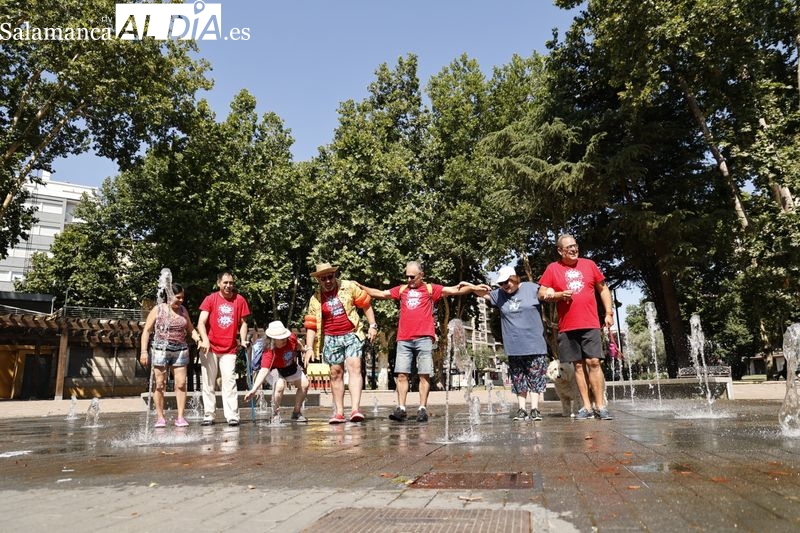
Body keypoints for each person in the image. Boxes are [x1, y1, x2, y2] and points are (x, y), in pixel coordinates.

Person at [357, 260, 484, 423]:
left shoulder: (431, 289)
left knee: (424, 375)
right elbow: (381, 294)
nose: (409, 280)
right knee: (402, 374)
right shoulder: (402, 289)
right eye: (407, 277)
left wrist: (474, 288)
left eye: (412, 277)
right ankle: (401, 408)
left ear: (421, 275)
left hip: (424, 338)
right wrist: (360, 286)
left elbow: (454, 290)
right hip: (404, 339)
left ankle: (422, 408)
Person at [538, 234, 615, 420]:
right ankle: (586, 407)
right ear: (560, 251)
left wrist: (609, 313)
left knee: (594, 362)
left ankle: (600, 406)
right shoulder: (553, 268)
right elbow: (541, 293)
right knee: (578, 367)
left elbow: (603, 289)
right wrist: (555, 295)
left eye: (575, 246)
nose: (573, 250)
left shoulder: (589, 264)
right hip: (567, 326)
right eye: (568, 247)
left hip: (590, 322)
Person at [303, 263, 378, 424]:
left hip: (352, 333)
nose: (328, 281)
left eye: (330, 277)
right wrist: (309, 347)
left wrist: (372, 325)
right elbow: (310, 325)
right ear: (318, 280)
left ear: (334, 275)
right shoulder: (315, 299)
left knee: (355, 366)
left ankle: (355, 409)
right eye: (324, 278)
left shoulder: (348, 287)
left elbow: (365, 304)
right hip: (331, 338)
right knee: (336, 373)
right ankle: (339, 413)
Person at [475, 266, 548, 422]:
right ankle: (522, 409)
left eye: (507, 281)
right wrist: (474, 286)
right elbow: (481, 293)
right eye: (501, 283)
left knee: (535, 376)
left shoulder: (531, 288)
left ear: (515, 278)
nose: (505, 286)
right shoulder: (499, 295)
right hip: (514, 345)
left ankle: (535, 409)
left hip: (534, 343)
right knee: (518, 378)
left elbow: (546, 293)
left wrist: (552, 293)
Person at [140, 282, 201, 427]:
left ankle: (180, 417)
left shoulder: (183, 310)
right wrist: (144, 352)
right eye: (178, 297)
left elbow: (191, 329)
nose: (181, 300)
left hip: (180, 350)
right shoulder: (158, 309)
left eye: (182, 298)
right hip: (160, 349)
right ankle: (160, 417)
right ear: (169, 296)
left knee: (181, 384)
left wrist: (199, 339)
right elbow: (147, 331)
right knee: (160, 384)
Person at [197, 270, 251, 427]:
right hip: (210, 347)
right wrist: (205, 340)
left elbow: (244, 323)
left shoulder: (239, 299)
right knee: (208, 381)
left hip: (229, 348)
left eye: (231, 283)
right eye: (225, 283)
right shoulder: (211, 299)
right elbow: (201, 322)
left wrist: (242, 339)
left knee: (229, 381)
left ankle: (232, 415)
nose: (229, 286)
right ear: (219, 283)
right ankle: (209, 414)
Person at [244, 320, 310, 422]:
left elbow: (297, 344)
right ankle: (275, 414)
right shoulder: (269, 350)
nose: (284, 339)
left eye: (284, 337)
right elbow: (264, 371)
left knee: (305, 384)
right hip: (274, 369)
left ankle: (296, 412)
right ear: (273, 339)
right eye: (280, 338)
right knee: (279, 385)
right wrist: (254, 389)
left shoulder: (291, 338)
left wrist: (304, 350)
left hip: (289, 366)